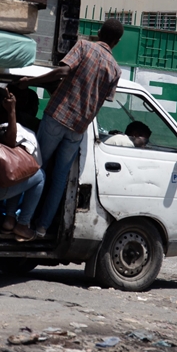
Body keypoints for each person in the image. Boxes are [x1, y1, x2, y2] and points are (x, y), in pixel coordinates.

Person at [17, 18, 123, 238]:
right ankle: (42, 227)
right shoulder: (115, 69)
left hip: (57, 116)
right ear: (117, 41)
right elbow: (103, 97)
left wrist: (29, 82)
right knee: (59, 178)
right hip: (77, 129)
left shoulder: (84, 46)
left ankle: (21, 220)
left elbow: (63, 72)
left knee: (36, 168)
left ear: (99, 32)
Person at [0, 87, 44, 241]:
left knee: (21, 171)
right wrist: (11, 111)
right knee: (39, 176)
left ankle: (9, 220)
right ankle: (23, 224)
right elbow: (10, 141)